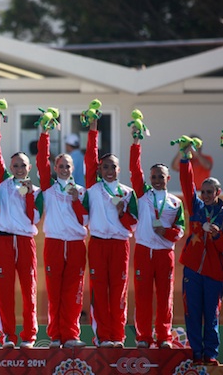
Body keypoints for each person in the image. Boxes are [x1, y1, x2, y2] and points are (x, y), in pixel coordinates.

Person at [0, 114, 42, 349]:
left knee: (29, 291)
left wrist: (30, 195)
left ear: (30, 167)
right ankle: (8, 336)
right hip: (3, 242)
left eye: (23, 165)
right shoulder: (3, 183)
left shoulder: (37, 191)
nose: (19, 169)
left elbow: (34, 218)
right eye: (15, 165)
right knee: (5, 291)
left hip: (25, 242)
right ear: (10, 168)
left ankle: (29, 336)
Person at [129, 128, 184, 349]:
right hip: (144, 250)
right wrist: (135, 142)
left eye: (161, 176)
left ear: (168, 178)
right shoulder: (142, 195)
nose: (157, 180)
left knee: (164, 297)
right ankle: (143, 337)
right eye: (153, 177)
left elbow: (180, 229)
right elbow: (134, 170)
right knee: (142, 297)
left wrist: (166, 233)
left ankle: (163, 337)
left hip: (164, 253)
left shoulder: (174, 202)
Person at [85, 118, 138, 348]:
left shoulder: (128, 193)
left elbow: (133, 224)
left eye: (113, 167)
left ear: (119, 169)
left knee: (119, 292)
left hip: (119, 245)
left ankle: (118, 336)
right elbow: (89, 156)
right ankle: (102, 336)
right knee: (100, 292)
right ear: (99, 169)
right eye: (105, 167)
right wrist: (93, 128)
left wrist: (122, 213)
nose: (109, 170)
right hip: (97, 244)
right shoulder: (92, 188)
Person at [36, 128, 88, 349]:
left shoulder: (82, 191)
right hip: (55, 243)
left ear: (73, 168)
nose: (65, 169)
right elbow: (40, 160)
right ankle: (55, 336)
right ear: (54, 168)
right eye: (60, 166)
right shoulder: (48, 188)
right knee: (54, 292)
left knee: (73, 293)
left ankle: (71, 335)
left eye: (68, 166)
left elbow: (85, 220)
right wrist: (45, 133)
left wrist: (76, 200)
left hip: (76, 244)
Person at [178, 147, 223, 366]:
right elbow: (187, 185)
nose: (205, 195)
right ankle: (196, 354)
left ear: (218, 192)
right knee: (193, 313)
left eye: (209, 192)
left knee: (212, 315)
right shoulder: (195, 207)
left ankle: (211, 354)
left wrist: (217, 237)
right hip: (192, 270)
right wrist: (185, 159)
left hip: (214, 273)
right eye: (203, 192)